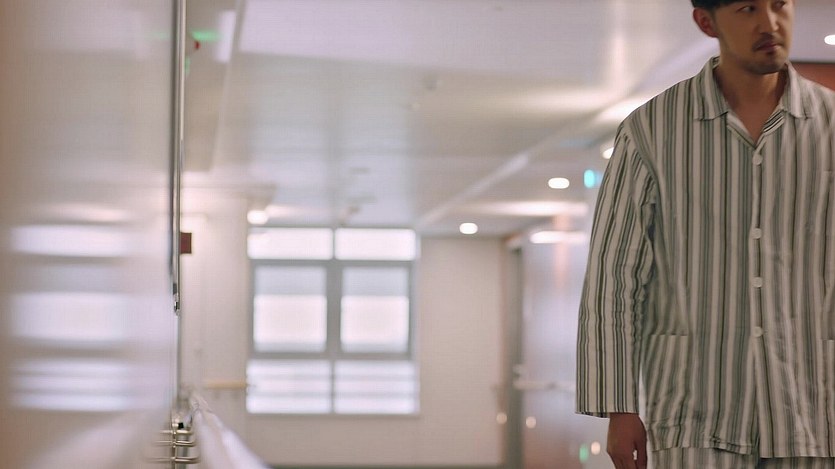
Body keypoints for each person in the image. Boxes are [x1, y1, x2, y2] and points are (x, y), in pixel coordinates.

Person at [575, 0, 835, 468]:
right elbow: (614, 278)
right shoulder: (652, 130)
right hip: (693, 413)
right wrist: (618, 406)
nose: (770, 23)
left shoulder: (832, 126)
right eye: (748, 8)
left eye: (780, 4)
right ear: (705, 21)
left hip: (815, 410)